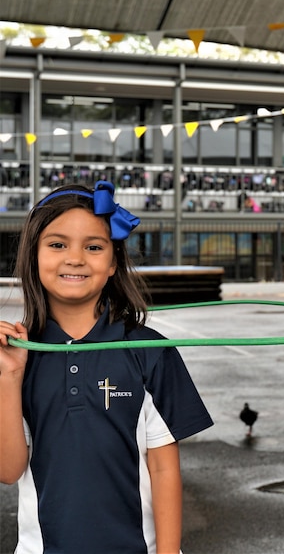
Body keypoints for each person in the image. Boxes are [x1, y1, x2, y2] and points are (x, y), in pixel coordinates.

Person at [0, 181, 213, 554]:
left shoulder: (149, 350)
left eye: (94, 247)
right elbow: (8, 470)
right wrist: (9, 377)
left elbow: (164, 470)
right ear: (33, 255)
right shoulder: (17, 354)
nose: (76, 258)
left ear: (113, 262)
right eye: (57, 244)